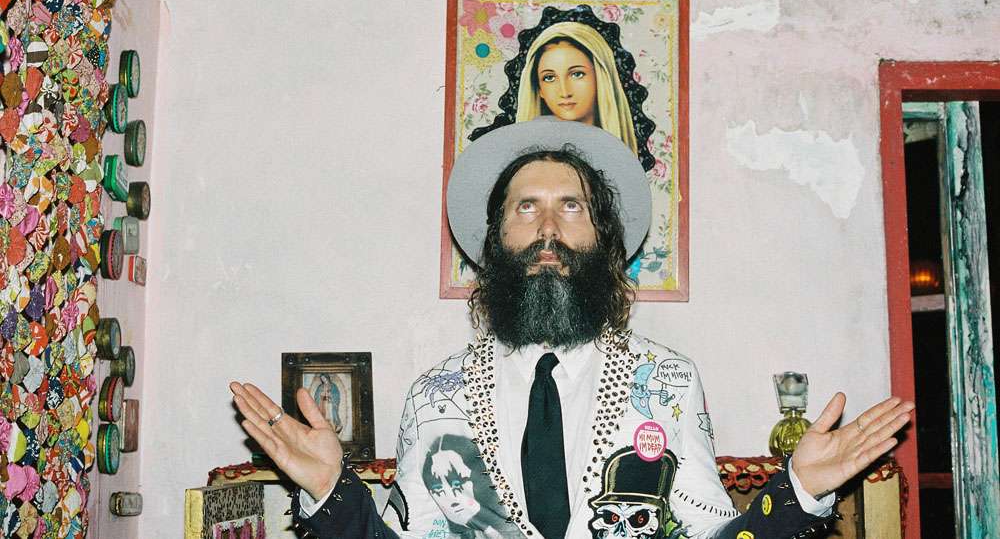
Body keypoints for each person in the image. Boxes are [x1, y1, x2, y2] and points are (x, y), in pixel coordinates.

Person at [230, 118, 914, 539]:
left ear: (604, 241)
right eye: (526, 209)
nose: (549, 230)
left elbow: (712, 536)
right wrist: (331, 492)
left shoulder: (668, 382)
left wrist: (798, 493)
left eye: (573, 208)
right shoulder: (434, 395)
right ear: (495, 241)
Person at [514, 21, 639, 159]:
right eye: (549, 78)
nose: (564, 92)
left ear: (600, 77)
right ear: (539, 89)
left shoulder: (619, 156)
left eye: (577, 74)